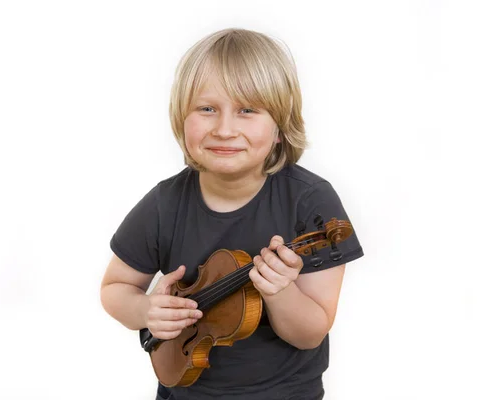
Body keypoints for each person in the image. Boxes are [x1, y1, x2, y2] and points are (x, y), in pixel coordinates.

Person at [100, 27, 364, 400]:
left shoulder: (311, 203)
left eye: (247, 110)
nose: (224, 129)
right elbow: (115, 289)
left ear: (279, 128)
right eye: (207, 109)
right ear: (181, 118)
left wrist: (280, 291)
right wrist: (145, 311)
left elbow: (309, 333)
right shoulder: (165, 204)